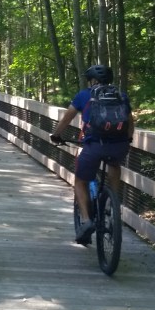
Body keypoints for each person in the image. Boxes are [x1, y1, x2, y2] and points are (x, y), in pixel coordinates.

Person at [50, 64, 133, 245]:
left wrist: (56, 135)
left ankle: (87, 221)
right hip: (118, 146)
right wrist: (128, 140)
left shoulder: (84, 95)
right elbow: (129, 121)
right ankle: (113, 202)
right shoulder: (121, 96)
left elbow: (67, 117)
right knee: (114, 164)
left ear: (92, 80)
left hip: (94, 146)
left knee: (80, 181)